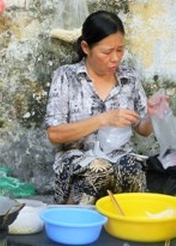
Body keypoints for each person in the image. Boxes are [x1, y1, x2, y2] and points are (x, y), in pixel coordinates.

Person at [45, 10, 162, 205]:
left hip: (120, 159)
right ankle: (78, 223)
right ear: (85, 47)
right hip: (78, 163)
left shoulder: (129, 79)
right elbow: (54, 134)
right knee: (99, 168)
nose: (115, 58)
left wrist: (152, 114)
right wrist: (103, 119)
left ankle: (128, 223)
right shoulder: (66, 76)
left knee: (131, 166)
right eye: (107, 52)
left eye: (120, 50)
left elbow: (143, 130)